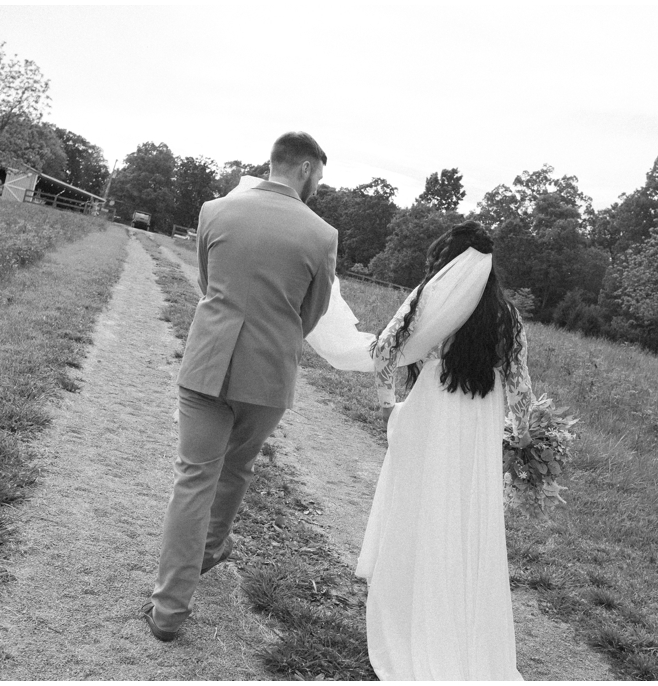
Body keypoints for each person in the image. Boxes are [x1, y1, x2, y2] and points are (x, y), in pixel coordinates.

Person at [142, 132, 338, 641]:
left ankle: (168, 612)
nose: (318, 182)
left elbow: (207, 283)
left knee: (193, 480)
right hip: (269, 373)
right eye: (319, 173)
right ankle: (208, 550)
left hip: (209, 360)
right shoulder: (322, 234)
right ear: (305, 169)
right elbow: (311, 314)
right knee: (238, 466)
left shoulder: (214, 210)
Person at [355, 221, 533, 679]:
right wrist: (524, 435)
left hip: (432, 409)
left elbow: (384, 351)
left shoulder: (427, 299)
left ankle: (409, 599)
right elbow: (520, 386)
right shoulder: (507, 316)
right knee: (465, 512)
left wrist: (386, 402)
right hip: (480, 420)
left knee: (417, 504)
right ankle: (458, 607)